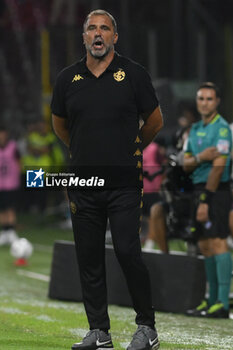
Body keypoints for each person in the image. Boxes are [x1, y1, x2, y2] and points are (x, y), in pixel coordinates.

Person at [51, 9, 163, 350]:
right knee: (89, 256)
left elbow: (155, 121)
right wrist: (85, 153)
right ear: (84, 37)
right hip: (83, 184)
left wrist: (130, 149)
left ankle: (147, 327)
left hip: (124, 181)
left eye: (105, 28)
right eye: (92, 29)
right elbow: (60, 124)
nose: (98, 34)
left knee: (128, 250)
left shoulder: (134, 74)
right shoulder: (67, 79)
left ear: (115, 37)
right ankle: (99, 331)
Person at [183, 82, 232, 318]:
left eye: (209, 99)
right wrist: (202, 156)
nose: (204, 103)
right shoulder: (194, 129)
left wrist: (205, 200)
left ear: (217, 102)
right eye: (201, 98)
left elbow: (218, 166)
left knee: (218, 241)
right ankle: (211, 300)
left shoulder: (222, 129)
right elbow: (185, 163)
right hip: (197, 189)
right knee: (204, 243)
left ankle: (222, 303)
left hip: (216, 191)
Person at [0, 125, 20, 245]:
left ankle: (11, 232)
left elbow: (19, 163)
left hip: (11, 183)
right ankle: (4, 232)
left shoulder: (13, 146)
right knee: (1, 209)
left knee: (10, 208)